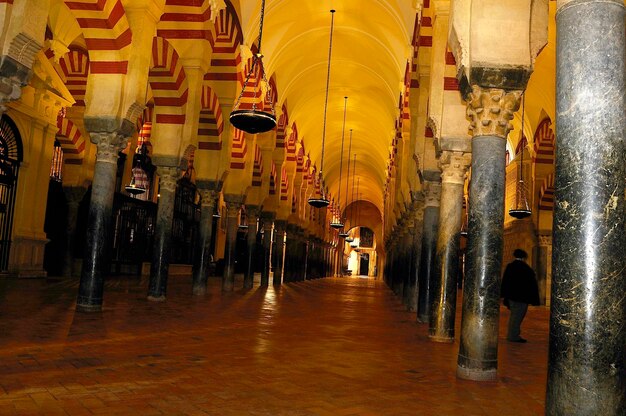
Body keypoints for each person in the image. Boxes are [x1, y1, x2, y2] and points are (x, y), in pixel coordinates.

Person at [501, 248, 540, 343]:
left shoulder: (510, 266)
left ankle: (512, 334)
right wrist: (533, 298)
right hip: (522, 298)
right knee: (517, 317)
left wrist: (504, 295)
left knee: (514, 316)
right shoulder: (526, 268)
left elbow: (505, 281)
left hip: (511, 296)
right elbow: (531, 284)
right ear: (524, 257)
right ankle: (513, 336)